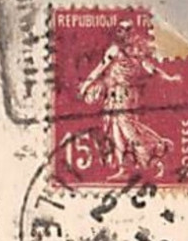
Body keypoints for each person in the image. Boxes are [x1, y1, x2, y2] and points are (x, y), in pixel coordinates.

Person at [78, 20, 182, 180]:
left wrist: (85, 86)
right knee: (116, 130)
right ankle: (124, 168)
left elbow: (100, 69)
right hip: (122, 94)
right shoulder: (133, 51)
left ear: (130, 33)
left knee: (127, 130)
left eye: (126, 30)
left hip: (122, 94)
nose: (123, 34)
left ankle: (154, 152)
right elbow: (150, 68)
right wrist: (168, 77)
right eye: (121, 30)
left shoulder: (124, 51)